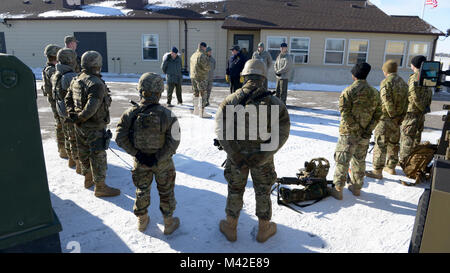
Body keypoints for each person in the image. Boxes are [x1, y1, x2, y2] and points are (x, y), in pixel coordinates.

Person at [215, 59, 291, 243]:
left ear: (244, 76)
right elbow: (283, 132)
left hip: (237, 159)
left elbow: (220, 130)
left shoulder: (231, 100)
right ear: (264, 78)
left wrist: (235, 154)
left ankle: (231, 227)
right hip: (263, 160)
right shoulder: (275, 102)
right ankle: (264, 229)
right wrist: (264, 154)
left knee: (235, 190)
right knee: (263, 191)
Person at [116, 72, 181, 233]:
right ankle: (168, 222)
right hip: (163, 164)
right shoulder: (168, 115)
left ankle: (142, 220)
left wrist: (137, 154)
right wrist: (158, 158)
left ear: (141, 90)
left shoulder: (130, 114)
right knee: (166, 192)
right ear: (160, 92)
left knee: (142, 191)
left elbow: (119, 137)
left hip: (140, 163)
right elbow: (174, 141)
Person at [65, 51, 120, 197]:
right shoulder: (96, 83)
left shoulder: (77, 79)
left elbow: (68, 99)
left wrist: (74, 116)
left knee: (83, 152)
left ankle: (88, 179)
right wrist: (81, 117)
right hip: (93, 127)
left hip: (79, 126)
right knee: (98, 155)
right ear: (97, 65)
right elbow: (92, 107)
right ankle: (100, 187)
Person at [329, 62, 382, 200]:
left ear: (354, 75)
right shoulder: (375, 93)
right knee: (359, 160)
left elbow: (345, 113)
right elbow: (378, 115)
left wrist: (355, 128)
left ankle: (338, 189)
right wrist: (367, 129)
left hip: (349, 134)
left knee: (343, 160)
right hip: (364, 134)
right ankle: (356, 188)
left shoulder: (348, 91)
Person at [366, 60, 408, 179]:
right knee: (394, 144)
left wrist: (393, 115)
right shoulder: (403, 83)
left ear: (385, 71)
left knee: (380, 144)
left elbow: (386, 101)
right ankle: (391, 167)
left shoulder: (386, 82)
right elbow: (407, 102)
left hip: (385, 119)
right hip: (398, 120)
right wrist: (400, 117)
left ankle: (377, 171)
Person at [51, 48, 81, 173]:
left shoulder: (56, 73)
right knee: (75, 139)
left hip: (61, 109)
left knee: (68, 136)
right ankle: (79, 164)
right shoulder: (70, 76)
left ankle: (71, 159)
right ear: (70, 60)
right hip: (70, 111)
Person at [398, 55, 433, 165]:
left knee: (407, 137)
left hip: (412, 112)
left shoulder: (415, 77)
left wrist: (421, 107)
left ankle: (404, 161)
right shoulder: (426, 75)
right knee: (417, 136)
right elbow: (429, 93)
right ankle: (414, 160)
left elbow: (414, 95)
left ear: (414, 65)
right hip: (421, 112)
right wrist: (426, 107)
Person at [42, 44, 66, 159]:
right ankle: (63, 149)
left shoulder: (49, 68)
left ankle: (62, 149)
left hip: (54, 99)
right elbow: (56, 84)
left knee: (60, 123)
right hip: (56, 100)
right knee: (61, 125)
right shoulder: (51, 70)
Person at [189, 42, 211, 118]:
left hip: (193, 76)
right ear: (204, 47)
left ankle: (196, 110)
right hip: (201, 77)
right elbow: (207, 67)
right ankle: (202, 112)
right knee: (203, 94)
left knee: (195, 93)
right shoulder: (202, 55)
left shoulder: (193, 55)